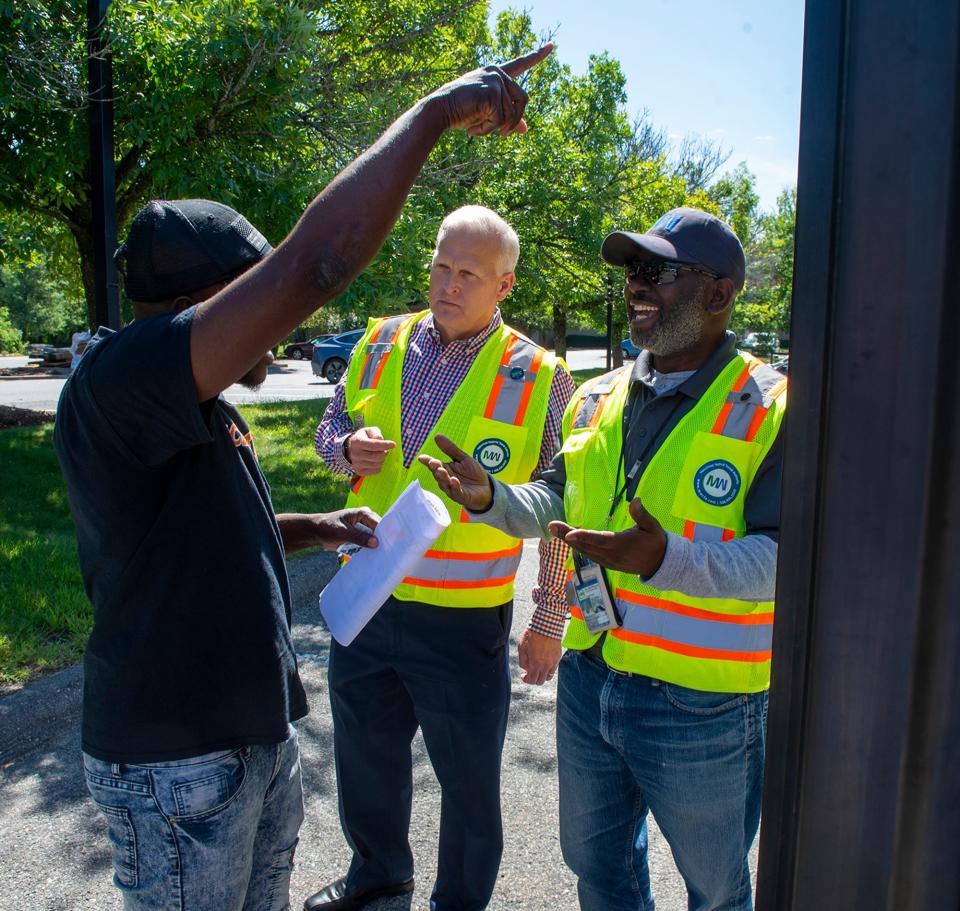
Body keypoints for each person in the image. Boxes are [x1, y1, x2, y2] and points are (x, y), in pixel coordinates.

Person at [53, 46, 553, 911]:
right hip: (178, 763)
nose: (280, 327)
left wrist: (319, 527)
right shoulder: (130, 382)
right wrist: (437, 111)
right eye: (253, 297)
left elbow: (201, 530)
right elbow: (315, 265)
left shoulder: (198, 405)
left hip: (249, 738)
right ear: (208, 304)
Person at [420, 207, 787, 911]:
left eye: (659, 272)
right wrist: (491, 496)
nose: (637, 287)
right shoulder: (595, 396)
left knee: (715, 889)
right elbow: (556, 500)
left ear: (720, 293)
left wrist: (666, 559)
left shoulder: (770, 406)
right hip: (592, 679)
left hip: (702, 703)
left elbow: (782, 559)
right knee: (600, 871)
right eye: (631, 272)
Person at [308, 204, 576, 911]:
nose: (449, 285)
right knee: (365, 755)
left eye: (469, 274)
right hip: (366, 593)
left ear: (505, 285)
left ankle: (457, 900)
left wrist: (550, 615)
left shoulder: (541, 375)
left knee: (466, 783)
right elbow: (328, 424)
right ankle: (377, 871)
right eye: (441, 266)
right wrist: (343, 448)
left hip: (462, 618)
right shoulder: (377, 341)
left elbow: (563, 505)